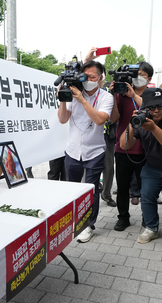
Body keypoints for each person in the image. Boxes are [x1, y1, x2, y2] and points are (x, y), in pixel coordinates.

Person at [120, 88, 162, 250]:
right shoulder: (141, 120)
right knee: (147, 197)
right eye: (151, 107)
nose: (156, 110)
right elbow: (124, 145)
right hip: (152, 165)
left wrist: (153, 129)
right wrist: (132, 124)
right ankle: (151, 228)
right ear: (144, 109)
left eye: (160, 106)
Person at [57, 57, 114, 243]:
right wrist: (63, 99)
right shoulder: (73, 92)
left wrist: (82, 100)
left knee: (91, 190)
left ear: (100, 78)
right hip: (73, 150)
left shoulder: (106, 97)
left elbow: (100, 119)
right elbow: (63, 119)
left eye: (93, 77)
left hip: (95, 151)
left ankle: (88, 225)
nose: (89, 80)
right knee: (71, 188)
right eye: (86, 76)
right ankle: (72, 221)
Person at [109, 62, 154, 231]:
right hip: (124, 147)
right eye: (135, 74)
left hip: (146, 147)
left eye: (142, 74)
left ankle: (147, 217)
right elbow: (113, 118)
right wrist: (114, 96)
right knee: (122, 186)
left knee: (147, 188)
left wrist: (133, 94)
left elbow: (152, 110)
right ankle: (123, 217)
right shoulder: (121, 95)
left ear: (149, 78)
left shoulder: (151, 93)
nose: (137, 77)